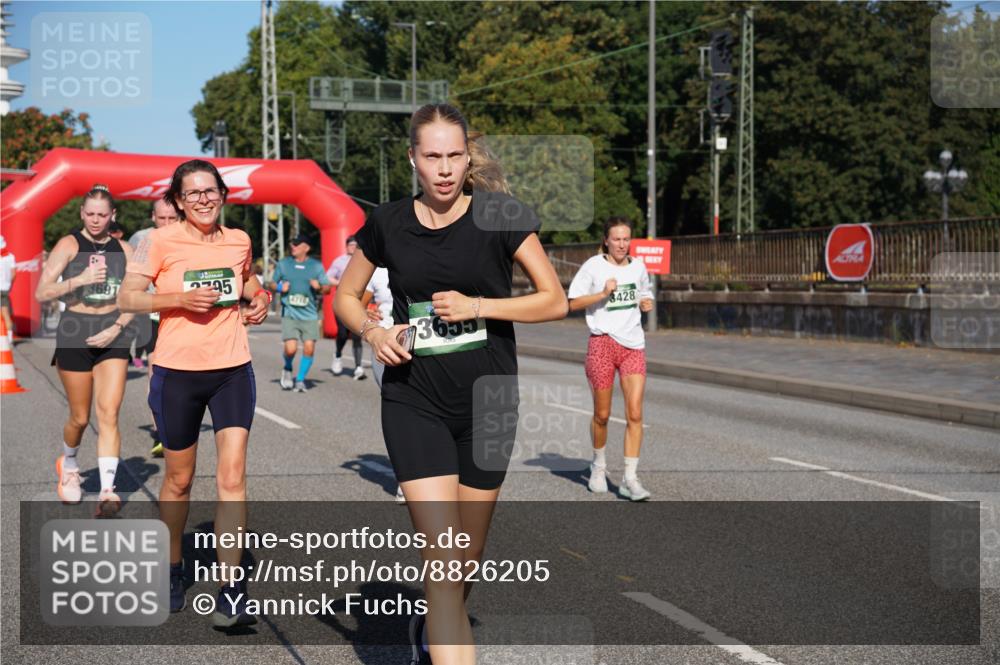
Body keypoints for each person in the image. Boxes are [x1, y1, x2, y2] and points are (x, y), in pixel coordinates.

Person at [334, 103, 567, 665]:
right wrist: (372, 330)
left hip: (489, 401)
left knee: (469, 552)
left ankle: (431, 627)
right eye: (432, 156)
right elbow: (345, 296)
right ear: (413, 158)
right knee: (442, 556)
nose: (443, 168)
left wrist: (478, 305)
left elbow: (554, 300)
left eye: (454, 156)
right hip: (414, 397)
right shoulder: (388, 223)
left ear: (468, 157)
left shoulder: (501, 214)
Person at [118, 159, 270, 624]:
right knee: (180, 480)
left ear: (222, 193)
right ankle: (172, 567)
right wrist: (177, 299)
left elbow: (247, 280)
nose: (203, 199)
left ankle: (232, 590)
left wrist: (260, 299)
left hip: (231, 370)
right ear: (179, 201)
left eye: (211, 191)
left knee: (232, 478)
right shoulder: (158, 242)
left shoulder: (238, 239)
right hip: (177, 371)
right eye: (193, 194)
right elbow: (127, 297)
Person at [35, 185, 135, 516]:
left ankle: (107, 490)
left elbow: (137, 295)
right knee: (80, 417)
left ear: (112, 216)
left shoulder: (124, 249)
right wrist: (80, 279)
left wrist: (117, 327)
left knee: (109, 413)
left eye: (102, 214)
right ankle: (70, 464)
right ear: (82, 213)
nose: (95, 220)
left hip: (112, 333)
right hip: (75, 330)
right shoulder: (69, 244)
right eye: (90, 213)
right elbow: (42, 292)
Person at [567, 216, 655, 501]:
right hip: (602, 343)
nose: (621, 244)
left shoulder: (639, 267)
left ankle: (630, 478)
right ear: (606, 240)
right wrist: (602, 293)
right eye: (616, 239)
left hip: (632, 345)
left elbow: (645, 292)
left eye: (626, 239)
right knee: (602, 415)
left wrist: (646, 302)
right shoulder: (593, 267)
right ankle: (598, 465)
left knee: (635, 414)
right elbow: (573, 302)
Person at [130, 200, 181, 455]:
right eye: (162, 219)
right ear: (153, 217)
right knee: (156, 370)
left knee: (182, 375)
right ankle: (159, 430)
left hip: (181, 313)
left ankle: (179, 421)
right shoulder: (142, 239)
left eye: (173, 219)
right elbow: (129, 274)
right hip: (151, 314)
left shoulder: (188, 238)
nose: (167, 224)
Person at [267, 233, 331, 392]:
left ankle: (300, 379)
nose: (293, 247)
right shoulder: (284, 264)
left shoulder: (316, 266)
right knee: (291, 349)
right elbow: (271, 284)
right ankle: (287, 368)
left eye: (297, 244)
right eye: (292, 244)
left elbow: (327, 288)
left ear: (306, 248)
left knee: (309, 348)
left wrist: (319, 287)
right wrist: (280, 288)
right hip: (290, 313)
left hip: (309, 314)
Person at [326, 235, 365, 379]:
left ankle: (359, 367)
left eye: (356, 245)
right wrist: (341, 284)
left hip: (359, 303)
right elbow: (327, 277)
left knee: (357, 335)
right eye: (351, 245)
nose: (353, 247)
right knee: (343, 334)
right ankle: (337, 355)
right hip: (342, 302)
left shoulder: (364, 260)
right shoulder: (339, 261)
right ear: (346, 246)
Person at [0, 236, 16, 346]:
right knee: (6, 313)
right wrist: (9, 285)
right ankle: (9, 339)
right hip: (5, 288)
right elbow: (14, 273)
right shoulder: (10, 256)